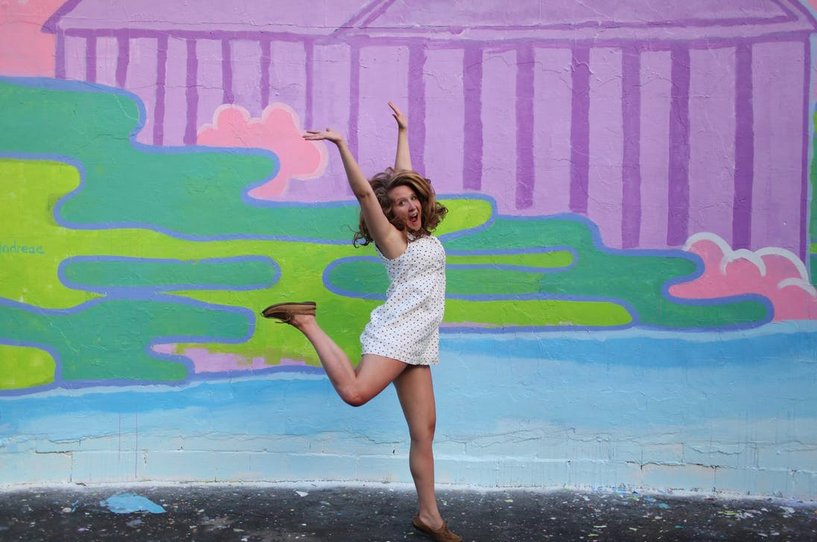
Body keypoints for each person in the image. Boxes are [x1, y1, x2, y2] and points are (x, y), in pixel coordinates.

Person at [261, 102, 461, 542]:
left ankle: (428, 515)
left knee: (423, 432)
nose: (407, 205)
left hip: (420, 341)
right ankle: (305, 322)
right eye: (398, 204)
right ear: (387, 215)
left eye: (411, 199)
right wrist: (341, 145)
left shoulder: (421, 233)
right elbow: (368, 194)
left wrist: (404, 130)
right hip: (398, 332)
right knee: (354, 392)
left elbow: (400, 178)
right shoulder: (392, 240)